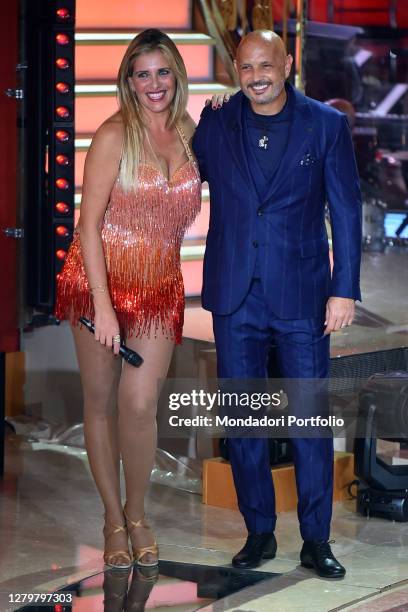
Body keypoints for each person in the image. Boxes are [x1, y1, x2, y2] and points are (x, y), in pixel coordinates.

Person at [193, 30, 362, 578]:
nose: (256, 76)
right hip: (235, 295)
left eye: (266, 65)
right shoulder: (216, 121)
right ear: (234, 70)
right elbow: (176, 172)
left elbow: (348, 209)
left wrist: (344, 288)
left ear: (287, 64)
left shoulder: (326, 125)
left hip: (304, 295)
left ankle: (317, 539)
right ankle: (259, 532)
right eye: (246, 68)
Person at [55, 28, 214, 569]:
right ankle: (112, 520)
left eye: (162, 71)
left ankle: (138, 513)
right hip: (94, 284)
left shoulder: (194, 133)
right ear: (128, 80)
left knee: (140, 404)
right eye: (142, 73)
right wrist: (101, 307)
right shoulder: (112, 135)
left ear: (177, 74)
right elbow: (88, 225)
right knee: (99, 405)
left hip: (157, 291)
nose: (154, 83)